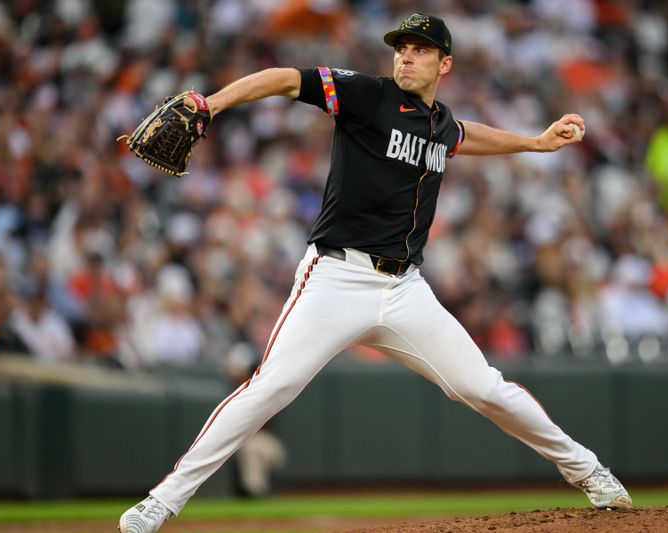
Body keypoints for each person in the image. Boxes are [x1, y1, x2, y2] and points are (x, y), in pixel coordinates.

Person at [119, 13, 632, 533]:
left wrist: (535, 142)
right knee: (270, 388)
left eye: (420, 50)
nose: (406, 56)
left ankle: (590, 472)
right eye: (401, 48)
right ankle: (161, 503)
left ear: (444, 63)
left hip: (404, 288)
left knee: (484, 388)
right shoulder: (367, 95)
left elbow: (463, 136)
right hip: (336, 277)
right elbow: (282, 78)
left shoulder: (439, 123)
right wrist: (212, 104)